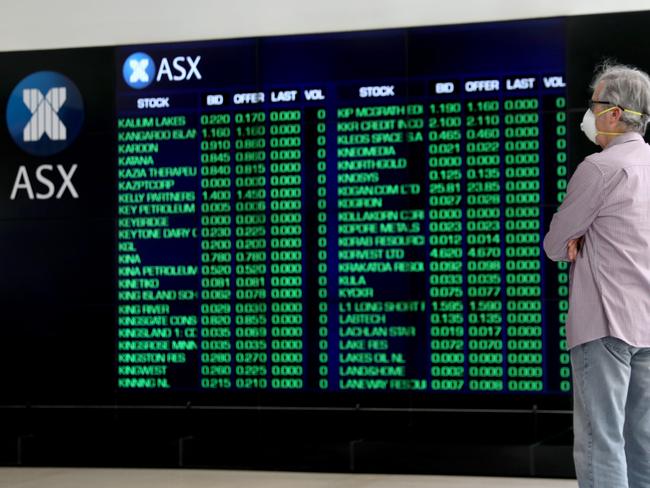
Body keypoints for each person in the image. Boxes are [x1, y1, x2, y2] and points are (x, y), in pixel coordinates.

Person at [544, 62, 650, 488]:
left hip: (604, 325)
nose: (587, 115)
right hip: (646, 323)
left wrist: (577, 238)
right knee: (641, 439)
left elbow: (555, 244)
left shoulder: (599, 168)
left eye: (592, 105)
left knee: (599, 440)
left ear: (612, 113)